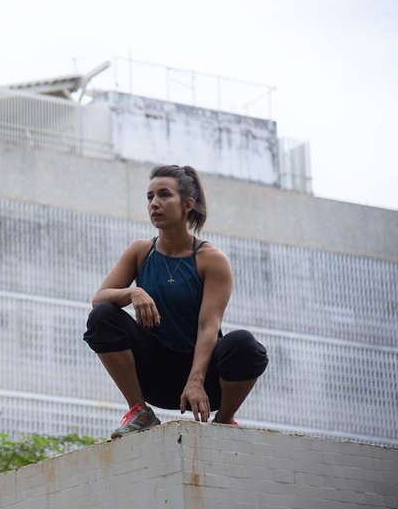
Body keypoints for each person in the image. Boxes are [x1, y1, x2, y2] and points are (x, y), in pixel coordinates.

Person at [83, 165, 268, 439]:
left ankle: (225, 420)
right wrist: (133, 293)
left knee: (244, 344)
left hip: (204, 381)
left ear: (188, 204)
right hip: (154, 374)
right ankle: (140, 411)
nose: (154, 203)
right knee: (102, 316)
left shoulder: (211, 259)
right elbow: (99, 298)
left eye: (164, 195)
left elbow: (208, 326)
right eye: (149, 197)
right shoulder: (140, 251)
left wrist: (196, 381)